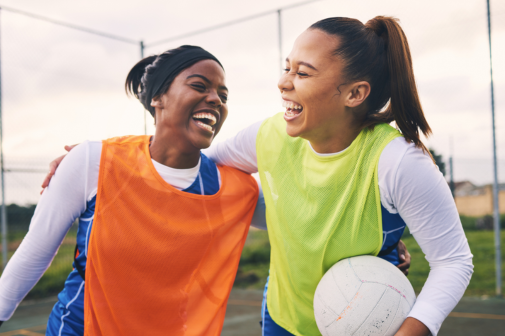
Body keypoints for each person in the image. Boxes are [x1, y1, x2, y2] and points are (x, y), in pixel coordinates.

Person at [202, 17, 473, 336]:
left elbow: (453, 262)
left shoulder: (397, 162)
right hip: (283, 317)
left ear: (355, 93)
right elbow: (206, 175)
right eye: (287, 67)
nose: (283, 82)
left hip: (364, 323)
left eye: (302, 73)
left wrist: (414, 330)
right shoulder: (268, 136)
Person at [0, 45, 265, 335]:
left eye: (223, 96)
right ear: (158, 98)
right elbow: (34, 252)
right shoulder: (94, 161)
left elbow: (296, 214)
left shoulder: (235, 189)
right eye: (199, 86)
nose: (215, 99)